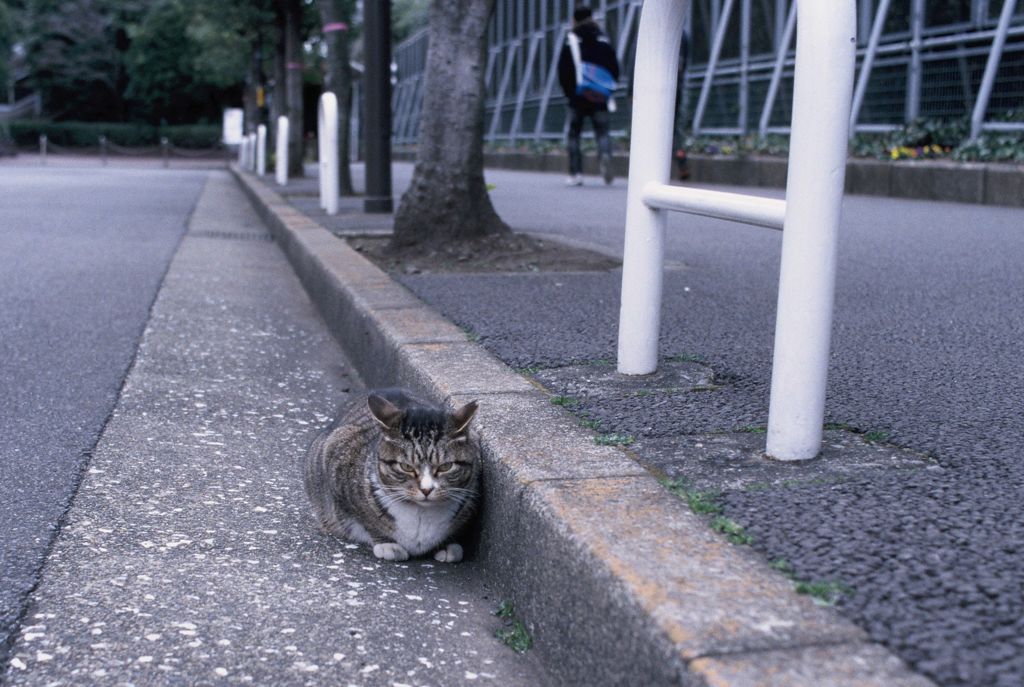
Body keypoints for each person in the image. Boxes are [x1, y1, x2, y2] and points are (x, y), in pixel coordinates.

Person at [558, 6, 620, 186]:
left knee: (574, 134)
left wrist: (569, 93)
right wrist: (607, 89)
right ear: (592, 18)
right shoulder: (603, 39)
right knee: (602, 132)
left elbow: (563, 70)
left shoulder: (571, 40)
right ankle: (606, 156)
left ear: (574, 20)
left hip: (577, 96)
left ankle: (575, 173)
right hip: (600, 96)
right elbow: (614, 68)